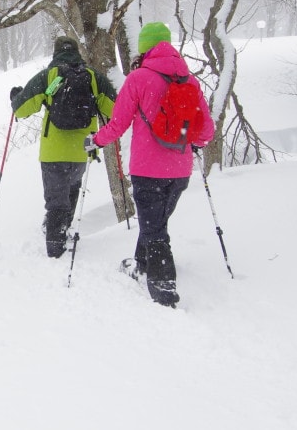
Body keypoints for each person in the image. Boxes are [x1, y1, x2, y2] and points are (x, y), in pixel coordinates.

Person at [88, 22, 214, 307]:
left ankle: (163, 286)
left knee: (155, 229)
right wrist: (191, 142)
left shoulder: (139, 78)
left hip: (147, 170)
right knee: (155, 222)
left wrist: (96, 140)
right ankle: (142, 264)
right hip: (180, 170)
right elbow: (206, 131)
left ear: (144, 48)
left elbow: (118, 124)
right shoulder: (189, 80)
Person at [10, 36, 116, 259]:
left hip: (54, 151)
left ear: (55, 53)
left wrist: (15, 98)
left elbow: (21, 109)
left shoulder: (49, 76)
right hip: (83, 149)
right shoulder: (93, 77)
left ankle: (55, 248)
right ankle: (62, 230)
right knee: (72, 189)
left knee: (56, 200)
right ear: (77, 52)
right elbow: (115, 109)